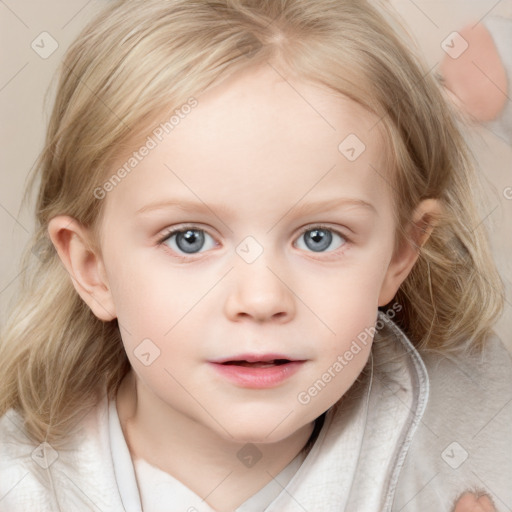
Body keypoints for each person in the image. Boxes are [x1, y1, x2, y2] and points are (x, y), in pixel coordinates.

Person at [0, 1, 510, 510]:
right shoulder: (22, 489)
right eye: (189, 239)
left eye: (319, 238)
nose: (262, 298)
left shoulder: (473, 446)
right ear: (94, 269)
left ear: (400, 254)